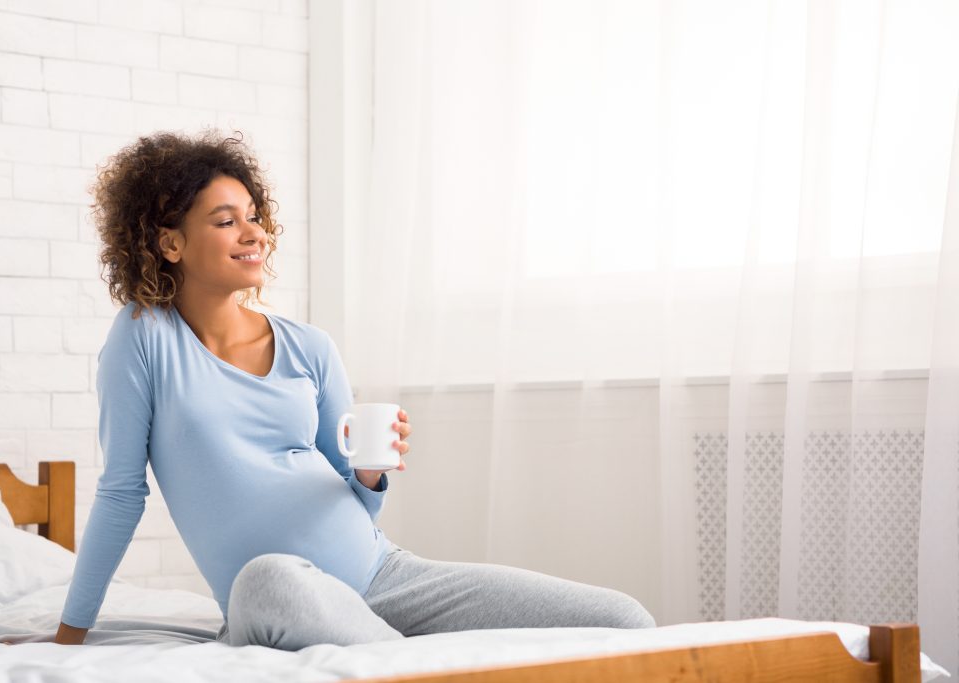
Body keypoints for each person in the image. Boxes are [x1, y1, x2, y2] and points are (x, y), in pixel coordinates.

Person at [54, 129, 655, 650]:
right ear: (170, 243)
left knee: (622, 619)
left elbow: (358, 495)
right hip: (277, 597)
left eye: (254, 216)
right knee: (267, 579)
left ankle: (389, 652)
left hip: (386, 577)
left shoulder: (309, 347)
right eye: (225, 220)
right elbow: (121, 495)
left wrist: (370, 475)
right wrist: (69, 634)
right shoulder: (143, 338)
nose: (254, 233)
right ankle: (410, 660)